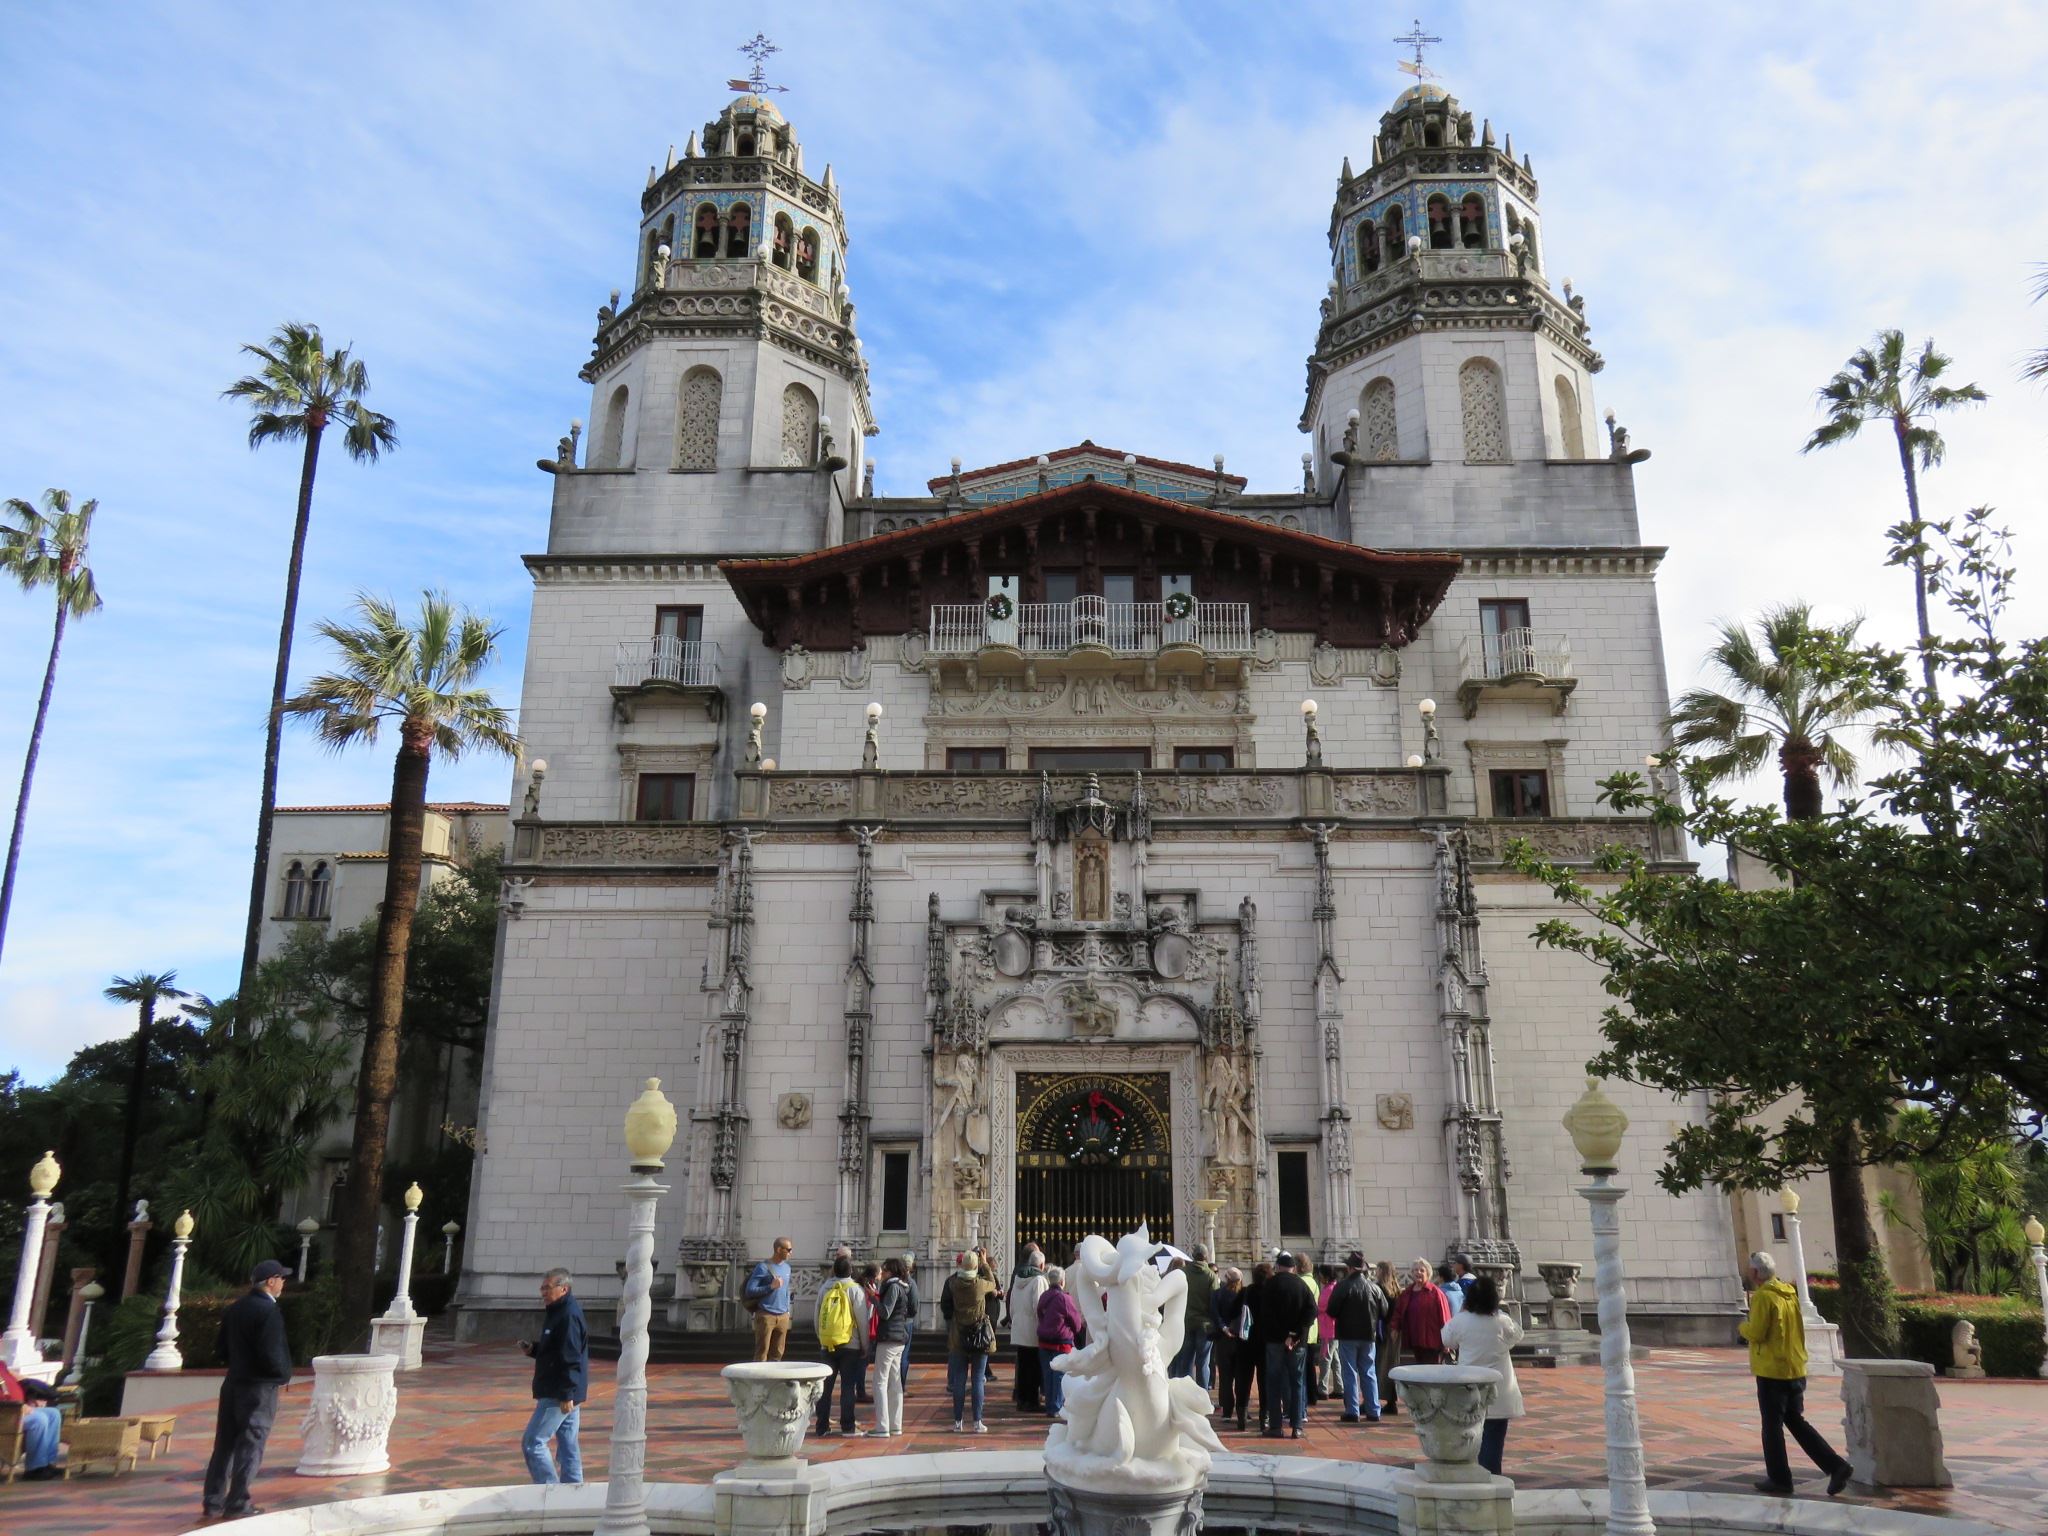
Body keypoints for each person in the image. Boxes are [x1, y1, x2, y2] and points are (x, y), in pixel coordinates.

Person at [1739, 1251, 1850, 1497]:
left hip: (1773, 1371)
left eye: (1750, 1270)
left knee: (1772, 1427)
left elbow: (1756, 1332)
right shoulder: (1789, 1294)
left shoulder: (1764, 1297)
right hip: (1795, 1368)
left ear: (1756, 1273)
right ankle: (1836, 1466)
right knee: (1796, 1421)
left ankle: (1780, 1479)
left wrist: (1741, 1326)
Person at [201, 1258, 295, 1518]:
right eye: (282, 1278)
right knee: (251, 1444)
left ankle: (213, 1501)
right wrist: (283, 1374)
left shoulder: (236, 1308)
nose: (284, 1283)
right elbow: (272, 1352)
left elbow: (220, 1350)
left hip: (233, 1384)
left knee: (225, 1444)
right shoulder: (268, 1311)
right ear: (271, 1282)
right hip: (259, 1388)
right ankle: (238, 1502)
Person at [1440, 1275, 1522, 1471]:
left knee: (1468, 1439)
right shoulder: (1502, 1321)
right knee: (1494, 1444)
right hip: (1499, 1392)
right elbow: (1517, 1335)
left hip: (1469, 1389)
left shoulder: (1462, 1321)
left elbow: (1447, 1340)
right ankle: (1492, 1479)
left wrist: (1461, 1311)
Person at [519, 1267, 589, 1486]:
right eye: (542, 1287)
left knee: (533, 1442)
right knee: (568, 1444)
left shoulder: (567, 1315)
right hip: (567, 1390)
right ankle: (574, 1489)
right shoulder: (559, 1311)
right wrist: (534, 1350)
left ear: (563, 1288)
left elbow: (571, 1356)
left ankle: (550, 1490)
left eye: (547, 1288)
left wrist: (567, 1393)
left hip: (558, 1392)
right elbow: (556, 1350)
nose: (543, 1292)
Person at [1258, 1251, 1317, 1439]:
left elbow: (1265, 1314)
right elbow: (1311, 1311)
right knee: (1297, 1382)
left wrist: (1283, 1335)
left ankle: (1276, 1426)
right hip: (1297, 1343)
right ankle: (1297, 1425)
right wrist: (1295, 1334)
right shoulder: (1301, 1285)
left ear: (1278, 1267)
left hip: (1275, 1341)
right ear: (1293, 1268)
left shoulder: (1270, 1285)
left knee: (1274, 1382)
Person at [941, 1248, 998, 1432]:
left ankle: (958, 1421)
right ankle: (977, 1421)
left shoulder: (953, 1284)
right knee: (977, 1379)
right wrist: (984, 1262)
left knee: (959, 1380)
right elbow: (992, 1282)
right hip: (979, 1336)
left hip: (959, 1335)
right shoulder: (979, 1285)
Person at [813, 1253, 869, 1437]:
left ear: (833, 1270)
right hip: (849, 1345)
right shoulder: (854, 1289)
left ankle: (821, 1426)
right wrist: (864, 1345)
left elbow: (817, 1317)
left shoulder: (824, 1288)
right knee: (847, 1387)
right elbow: (862, 1320)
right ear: (851, 1270)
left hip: (827, 1344)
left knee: (825, 1388)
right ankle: (847, 1427)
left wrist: (822, 1338)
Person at [1330, 1250, 1388, 1423]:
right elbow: (1385, 1311)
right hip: (1368, 1335)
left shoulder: (1343, 1286)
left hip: (1348, 1335)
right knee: (1369, 1372)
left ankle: (1353, 1410)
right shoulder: (1374, 1288)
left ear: (1349, 1268)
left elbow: (1332, 1310)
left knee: (1349, 1372)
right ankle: (1373, 1409)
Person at [872, 1256, 915, 1436]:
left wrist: (873, 1299)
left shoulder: (893, 1287)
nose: (881, 1274)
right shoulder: (903, 1287)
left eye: (884, 1270)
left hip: (889, 1338)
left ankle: (882, 1426)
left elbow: (885, 1312)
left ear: (891, 1272)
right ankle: (895, 1424)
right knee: (895, 1381)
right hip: (898, 1338)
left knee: (880, 1381)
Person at [1036, 1263, 1085, 1418]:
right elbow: (1076, 1321)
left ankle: (1051, 1404)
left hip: (1044, 1340)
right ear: (1062, 1281)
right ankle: (1056, 1405)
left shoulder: (1044, 1296)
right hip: (1061, 1341)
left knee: (1048, 1374)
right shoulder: (1064, 1298)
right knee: (1059, 1375)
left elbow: (1040, 1314)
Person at [0, 1360, 62, 1480]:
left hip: (18, 1409)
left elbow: (19, 1381)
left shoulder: (1, 1365)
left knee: (54, 1414)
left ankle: (48, 1463)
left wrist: (34, 1397)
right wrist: (18, 1405)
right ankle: (35, 1469)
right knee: (38, 1419)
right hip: (6, 1414)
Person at [1390, 1257, 1453, 1372]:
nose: (1418, 1272)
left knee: (1433, 1372)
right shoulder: (1407, 1293)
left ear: (1428, 1274)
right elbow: (1398, 1312)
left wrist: (1447, 1342)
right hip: (1415, 1340)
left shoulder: (1436, 1293)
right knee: (1419, 1370)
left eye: (1421, 1270)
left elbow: (1445, 1318)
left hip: (1432, 1342)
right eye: (1415, 1270)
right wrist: (1394, 1327)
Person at [1006, 1244, 1048, 1410]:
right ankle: (1031, 1401)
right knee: (1033, 1367)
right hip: (1032, 1329)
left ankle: (1022, 1400)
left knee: (1023, 1366)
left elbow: (1012, 1305)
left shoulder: (1018, 1278)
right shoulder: (1038, 1280)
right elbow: (1039, 1306)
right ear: (1042, 1265)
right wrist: (1043, 1326)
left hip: (1019, 1329)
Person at [743, 1236, 795, 1362]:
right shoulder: (763, 1267)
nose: (791, 1253)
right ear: (778, 1249)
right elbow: (749, 1290)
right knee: (762, 1352)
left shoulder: (787, 1268)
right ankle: (759, 1380)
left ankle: (775, 1380)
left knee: (778, 1353)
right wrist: (770, 1287)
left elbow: (786, 1290)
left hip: (783, 1316)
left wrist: (787, 1310)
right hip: (766, 1315)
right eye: (788, 1250)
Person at [1172, 1244, 1217, 1387]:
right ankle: (1202, 1395)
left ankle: (1186, 1395)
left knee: (1186, 1361)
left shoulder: (1183, 1272)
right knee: (1203, 1362)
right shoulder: (1211, 1276)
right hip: (1205, 1324)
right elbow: (1214, 1301)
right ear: (1206, 1256)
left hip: (1186, 1322)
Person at [1231, 1261, 1269, 1431]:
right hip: (1265, 1343)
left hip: (1245, 1342)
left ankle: (1241, 1415)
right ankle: (1264, 1417)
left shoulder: (1246, 1292)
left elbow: (1231, 1311)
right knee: (1264, 1381)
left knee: (1243, 1380)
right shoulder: (1271, 1293)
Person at [1210, 1266, 1244, 1422]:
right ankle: (1241, 1409)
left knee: (1225, 1376)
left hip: (1223, 1339)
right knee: (1241, 1376)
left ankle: (1227, 1411)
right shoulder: (1243, 1295)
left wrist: (1224, 1328)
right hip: (1240, 1339)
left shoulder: (1217, 1294)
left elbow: (1215, 1314)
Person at [1374, 1260, 1402, 1416]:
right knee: (1393, 1365)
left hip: (1383, 1331)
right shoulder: (1397, 1290)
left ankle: (1374, 1400)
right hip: (1395, 1332)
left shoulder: (1379, 1289)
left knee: (1379, 1366)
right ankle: (1392, 1401)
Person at [855, 1262, 882, 1404]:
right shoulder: (869, 1288)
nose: (881, 1275)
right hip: (866, 1328)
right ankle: (860, 1391)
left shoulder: (861, 1286)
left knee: (861, 1362)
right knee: (862, 1361)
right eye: (879, 1273)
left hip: (862, 1328)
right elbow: (869, 1309)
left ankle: (859, 1390)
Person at [898, 1253, 920, 1389]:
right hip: (906, 1322)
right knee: (904, 1355)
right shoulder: (911, 1283)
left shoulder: (894, 1281)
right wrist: (910, 1316)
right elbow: (914, 1304)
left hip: (894, 1322)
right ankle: (901, 1385)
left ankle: (894, 1385)